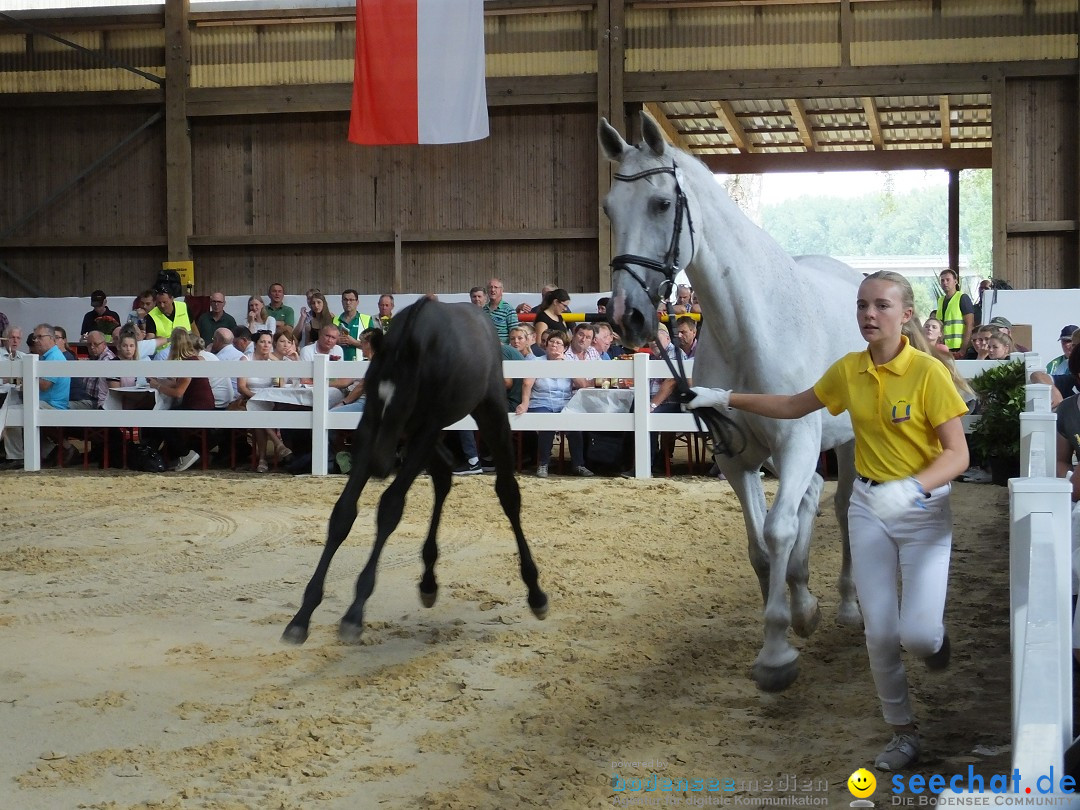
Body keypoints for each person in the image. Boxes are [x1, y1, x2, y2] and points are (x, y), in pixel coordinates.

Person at [686, 270, 968, 771]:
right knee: (879, 633)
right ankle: (903, 732)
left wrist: (913, 488)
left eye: (881, 306)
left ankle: (934, 640)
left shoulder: (929, 374)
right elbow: (794, 405)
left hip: (922, 510)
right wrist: (724, 398)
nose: (868, 315)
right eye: (862, 305)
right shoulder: (847, 370)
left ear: (905, 316)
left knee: (919, 636)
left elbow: (958, 454)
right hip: (868, 509)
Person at [515, 329, 592, 478]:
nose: (554, 345)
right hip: (540, 402)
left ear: (565, 348)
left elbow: (582, 384)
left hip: (564, 404)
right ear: (546, 344)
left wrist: (566, 365)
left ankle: (578, 464)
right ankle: (543, 464)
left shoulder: (570, 363)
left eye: (559, 343)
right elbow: (527, 384)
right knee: (547, 423)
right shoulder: (536, 361)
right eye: (551, 342)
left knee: (575, 425)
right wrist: (524, 403)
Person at [1, 324, 75, 468]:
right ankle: (49, 451)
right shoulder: (49, 356)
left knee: (10, 412)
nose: (36, 340)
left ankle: (16, 456)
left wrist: (23, 380)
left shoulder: (53, 357)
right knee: (16, 410)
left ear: (52, 339)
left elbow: (44, 385)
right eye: (35, 337)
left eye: (40, 337)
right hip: (46, 402)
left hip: (52, 405)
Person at [144, 329, 214, 472]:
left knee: (162, 421)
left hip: (197, 408)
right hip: (203, 405)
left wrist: (157, 385)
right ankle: (171, 454)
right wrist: (159, 382)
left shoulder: (187, 364)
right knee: (164, 419)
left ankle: (185, 453)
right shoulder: (193, 360)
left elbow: (178, 392)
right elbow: (180, 384)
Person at [238, 330, 292, 472]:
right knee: (257, 407)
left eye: (269, 342)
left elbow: (280, 385)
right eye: (262, 341)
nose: (266, 345)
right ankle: (277, 446)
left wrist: (275, 362)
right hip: (249, 398)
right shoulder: (246, 359)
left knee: (259, 411)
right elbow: (241, 387)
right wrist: (255, 397)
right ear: (255, 344)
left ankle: (262, 459)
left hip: (269, 399)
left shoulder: (273, 361)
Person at [929, 269, 974, 358]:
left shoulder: (962, 298)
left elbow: (970, 324)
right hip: (944, 347)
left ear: (955, 281)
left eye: (948, 280)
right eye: (942, 280)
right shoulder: (940, 300)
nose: (945, 283)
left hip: (959, 348)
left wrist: (963, 349)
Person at [70, 331, 114, 410]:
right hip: (85, 397)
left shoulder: (107, 360)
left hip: (96, 401)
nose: (92, 347)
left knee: (65, 407)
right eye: (89, 344)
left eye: (96, 344)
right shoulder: (94, 357)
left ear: (104, 344)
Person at [145, 284, 192, 355]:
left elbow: (193, 327)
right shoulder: (151, 315)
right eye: (159, 303)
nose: (162, 305)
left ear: (172, 299)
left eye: (164, 302)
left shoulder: (183, 307)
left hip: (186, 350)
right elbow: (150, 338)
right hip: (164, 354)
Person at [334, 289, 373, 361]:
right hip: (338, 364)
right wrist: (336, 341)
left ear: (357, 302)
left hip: (361, 364)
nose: (348, 302)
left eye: (351, 300)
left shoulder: (367, 320)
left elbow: (373, 346)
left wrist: (354, 342)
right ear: (342, 302)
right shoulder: (334, 320)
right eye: (345, 300)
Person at [483, 278, 518, 343]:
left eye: (496, 287)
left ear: (501, 290)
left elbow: (515, 333)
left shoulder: (509, 309)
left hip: (503, 349)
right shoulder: (483, 310)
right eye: (490, 287)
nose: (492, 290)